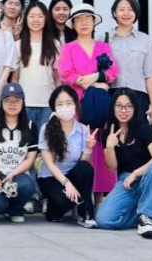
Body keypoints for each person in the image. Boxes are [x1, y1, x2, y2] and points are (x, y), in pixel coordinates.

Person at [58, 3, 119, 196]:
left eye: (88, 19)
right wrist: (85, 82)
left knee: (99, 147)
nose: (84, 23)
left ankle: (99, 197)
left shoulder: (103, 47)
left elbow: (113, 71)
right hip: (78, 105)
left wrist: (97, 77)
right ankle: (79, 195)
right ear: (73, 24)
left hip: (100, 106)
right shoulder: (68, 48)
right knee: (79, 146)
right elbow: (65, 73)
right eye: (79, 20)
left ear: (94, 22)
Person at [96, 89, 152, 238]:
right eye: (119, 106)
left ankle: (147, 219)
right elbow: (112, 167)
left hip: (150, 178)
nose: (124, 110)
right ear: (113, 107)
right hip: (126, 182)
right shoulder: (107, 133)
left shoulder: (142, 127)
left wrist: (135, 174)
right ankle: (141, 214)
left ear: (135, 108)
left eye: (129, 106)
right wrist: (110, 147)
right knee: (104, 220)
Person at [37, 85, 96, 227]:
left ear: (75, 104)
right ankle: (52, 207)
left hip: (72, 174)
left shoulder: (82, 129)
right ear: (54, 107)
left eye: (69, 103)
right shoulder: (46, 128)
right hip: (50, 177)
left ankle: (85, 213)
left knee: (86, 168)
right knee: (61, 203)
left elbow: (82, 163)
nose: (65, 107)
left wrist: (88, 148)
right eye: (60, 104)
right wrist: (67, 183)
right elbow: (49, 164)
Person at [0, 83, 39, 224]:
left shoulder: (30, 126)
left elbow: (30, 159)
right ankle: (2, 207)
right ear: (1, 102)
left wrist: (12, 174)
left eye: (16, 100)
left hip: (17, 174)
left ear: (22, 102)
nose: (12, 104)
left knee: (27, 185)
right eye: (7, 100)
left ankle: (16, 209)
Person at [102, 0, 152, 123]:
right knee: (113, 132)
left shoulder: (145, 40)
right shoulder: (104, 39)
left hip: (138, 96)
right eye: (122, 9)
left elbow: (150, 75)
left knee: (138, 133)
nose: (126, 13)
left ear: (136, 13)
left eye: (130, 9)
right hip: (112, 95)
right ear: (114, 13)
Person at [12, 1, 61, 127]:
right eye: (32, 16)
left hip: (48, 104)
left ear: (46, 19)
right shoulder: (18, 45)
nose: (36, 20)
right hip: (25, 104)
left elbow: (58, 78)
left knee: (46, 139)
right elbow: (15, 78)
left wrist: (59, 101)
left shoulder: (55, 44)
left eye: (40, 16)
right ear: (26, 19)